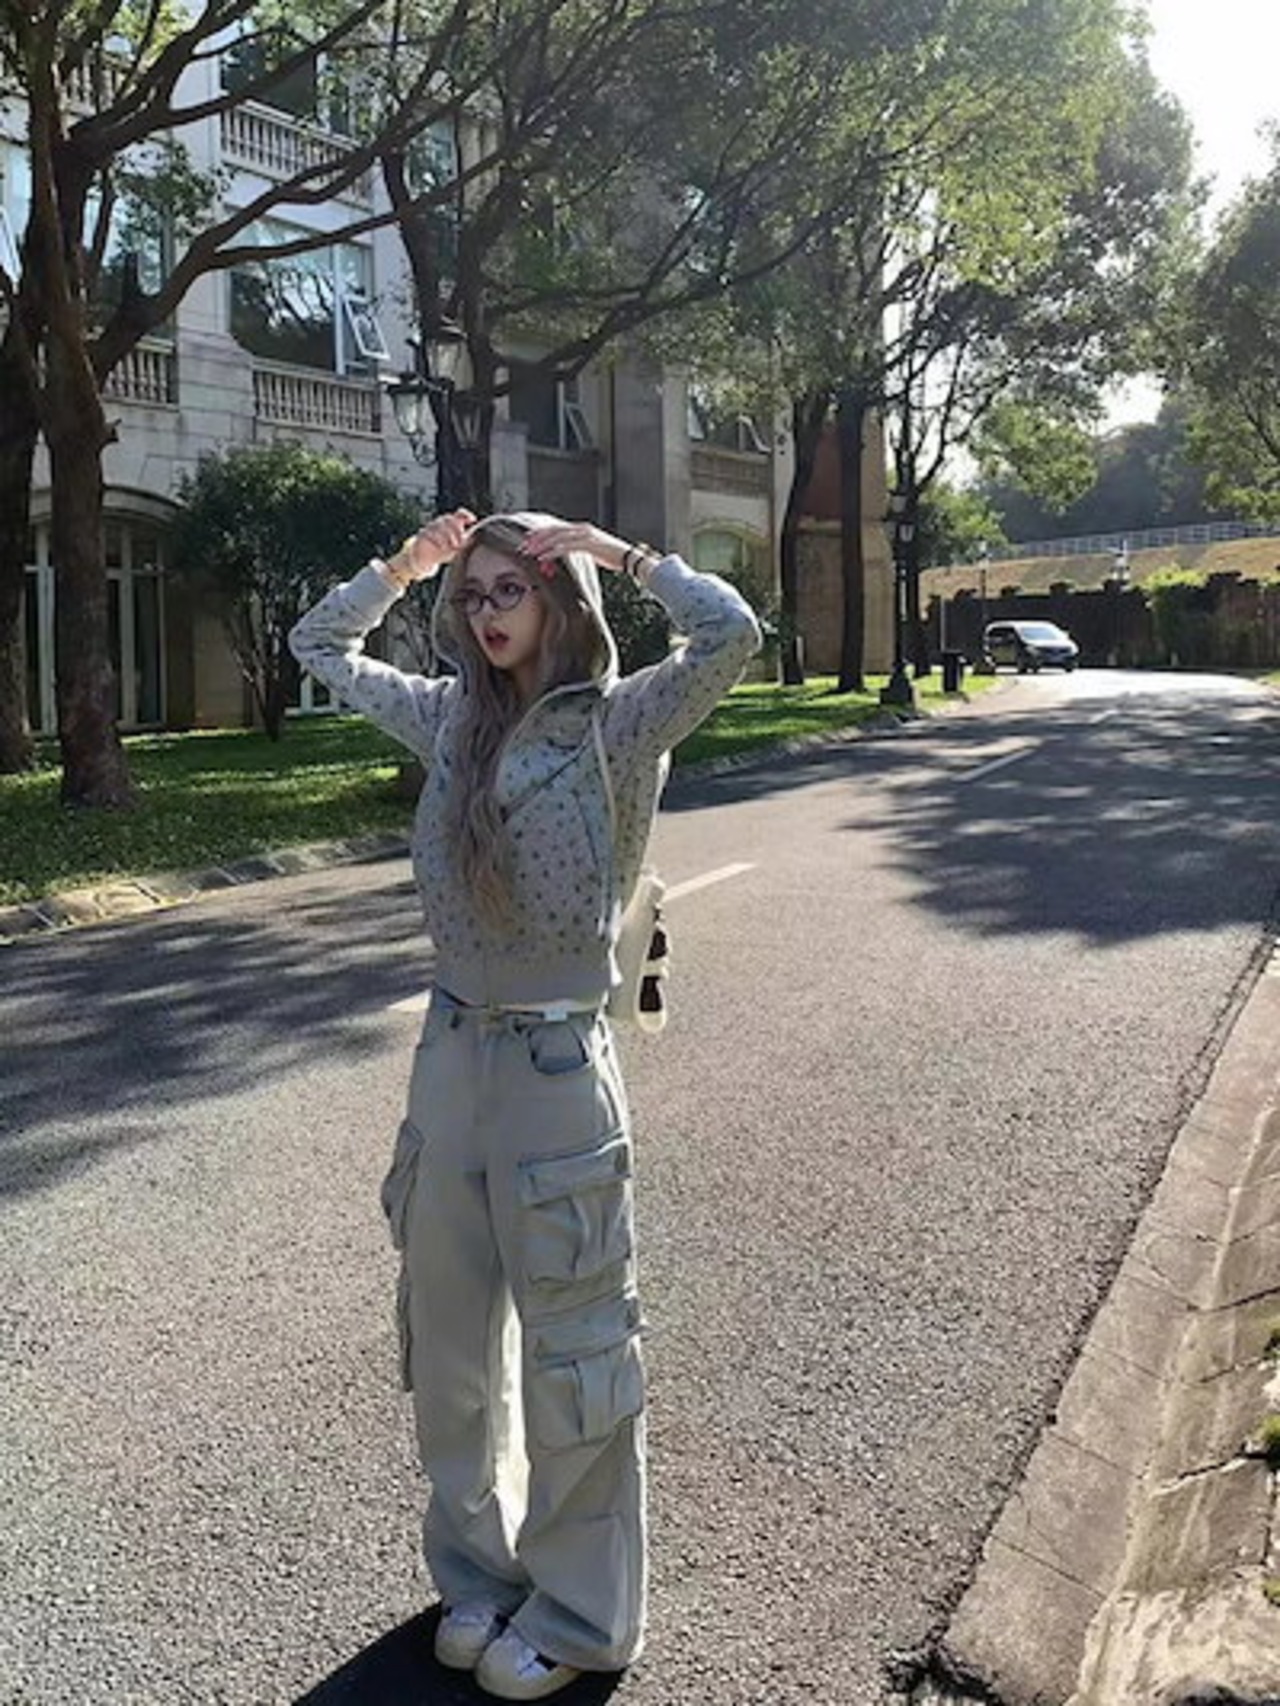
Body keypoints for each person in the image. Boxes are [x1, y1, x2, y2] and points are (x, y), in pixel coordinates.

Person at [289, 510, 759, 1700]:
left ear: (557, 601)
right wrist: (404, 568)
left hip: (556, 1067)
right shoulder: (449, 717)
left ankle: (583, 1612)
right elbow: (317, 646)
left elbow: (730, 634)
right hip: (449, 1055)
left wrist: (613, 549)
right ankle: (479, 1575)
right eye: (475, 593)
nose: (488, 611)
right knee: (448, 1342)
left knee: (573, 1352)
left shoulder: (619, 722)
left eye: (511, 588)